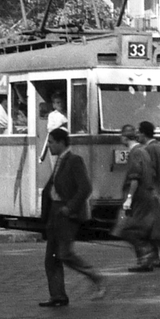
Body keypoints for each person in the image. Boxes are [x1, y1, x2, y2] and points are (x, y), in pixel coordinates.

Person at [40, 128, 103, 306]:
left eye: (51, 142)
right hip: (55, 212)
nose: (49, 146)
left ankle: (95, 276)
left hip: (67, 214)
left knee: (65, 253)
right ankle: (58, 296)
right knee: (51, 258)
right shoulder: (59, 161)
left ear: (61, 142)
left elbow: (85, 188)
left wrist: (70, 207)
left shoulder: (74, 161)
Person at [117, 124, 160, 272]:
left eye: (121, 136)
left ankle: (145, 258)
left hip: (139, 198)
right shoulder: (143, 151)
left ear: (125, 137)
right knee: (142, 230)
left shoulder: (135, 153)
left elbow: (135, 178)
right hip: (147, 196)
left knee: (128, 230)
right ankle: (148, 259)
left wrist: (129, 198)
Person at [138, 121, 160, 267]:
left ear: (144, 133)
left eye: (139, 133)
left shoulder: (150, 148)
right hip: (159, 189)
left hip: (153, 191)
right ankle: (156, 257)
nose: (137, 136)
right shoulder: (157, 147)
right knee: (153, 225)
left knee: (151, 226)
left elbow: (149, 171)